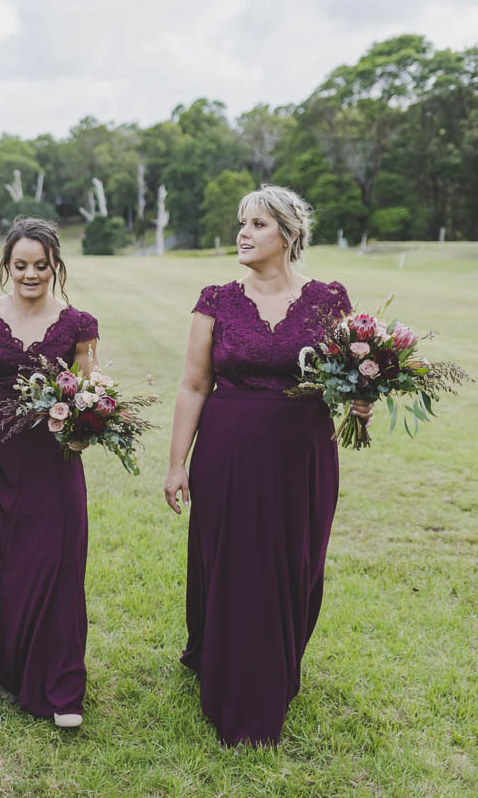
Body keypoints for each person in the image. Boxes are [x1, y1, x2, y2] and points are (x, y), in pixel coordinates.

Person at [163, 184, 373, 745]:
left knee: (295, 561)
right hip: (229, 449)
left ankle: (281, 656)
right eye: (242, 223)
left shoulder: (329, 299)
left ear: (288, 233)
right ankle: (238, 678)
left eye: (256, 224)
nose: (243, 233)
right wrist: (177, 462)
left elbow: (354, 369)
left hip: (301, 452)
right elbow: (192, 384)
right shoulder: (216, 299)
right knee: (235, 561)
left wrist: (364, 398)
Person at [0, 217, 99, 728]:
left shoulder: (79, 324)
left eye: (41, 265)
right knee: (3, 555)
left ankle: (60, 683)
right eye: (20, 265)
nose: (30, 274)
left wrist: (84, 430)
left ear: (55, 265)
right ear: (7, 266)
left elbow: (87, 394)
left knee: (56, 563)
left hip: (55, 456)